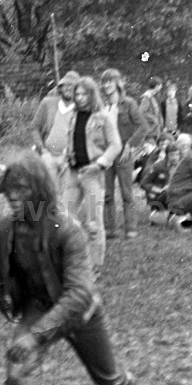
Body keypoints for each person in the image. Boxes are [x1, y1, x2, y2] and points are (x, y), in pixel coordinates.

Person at [0, 152, 153, 385]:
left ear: (39, 191)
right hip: (37, 307)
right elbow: (4, 273)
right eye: (8, 192)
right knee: (17, 377)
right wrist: (3, 293)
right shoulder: (2, 230)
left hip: (80, 313)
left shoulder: (67, 231)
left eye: (21, 191)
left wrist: (35, 335)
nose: (13, 198)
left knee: (109, 379)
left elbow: (79, 293)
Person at [62, 77, 121, 272]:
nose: (79, 98)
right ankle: (74, 259)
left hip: (93, 174)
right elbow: (71, 143)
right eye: (77, 94)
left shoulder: (102, 117)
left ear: (91, 94)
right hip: (73, 173)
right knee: (64, 217)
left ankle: (94, 267)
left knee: (94, 223)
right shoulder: (73, 116)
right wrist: (65, 158)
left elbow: (115, 145)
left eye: (83, 94)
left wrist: (101, 163)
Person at [100, 69, 147, 239]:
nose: (106, 85)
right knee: (107, 194)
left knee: (127, 193)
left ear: (118, 83)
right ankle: (110, 229)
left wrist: (130, 144)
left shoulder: (129, 103)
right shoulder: (102, 106)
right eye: (104, 82)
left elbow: (143, 126)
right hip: (107, 154)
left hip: (124, 155)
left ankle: (131, 228)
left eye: (110, 81)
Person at [30, 70, 80, 194]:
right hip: (49, 156)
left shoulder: (81, 109)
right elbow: (34, 128)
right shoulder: (48, 103)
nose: (69, 88)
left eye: (73, 86)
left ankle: (61, 213)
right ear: (60, 87)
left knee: (65, 195)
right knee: (47, 192)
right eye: (66, 85)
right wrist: (42, 150)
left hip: (69, 160)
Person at [141, 142, 182, 211]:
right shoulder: (158, 166)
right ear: (167, 155)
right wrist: (160, 190)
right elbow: (144, 183)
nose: (175, 157)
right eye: (172, 155)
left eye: (177, 155)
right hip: (158, 197)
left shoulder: (181, 166)